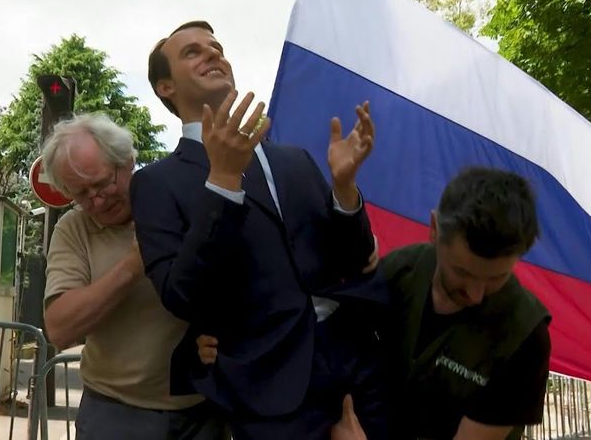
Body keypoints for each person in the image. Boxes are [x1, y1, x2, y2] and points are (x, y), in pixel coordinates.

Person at [131, 20, 388, 440]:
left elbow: (353, 260)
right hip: (270, 390)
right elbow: (181, 295)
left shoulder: (295, 160)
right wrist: (223, 183)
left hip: (360, 371)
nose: (212, 53)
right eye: (192, 52)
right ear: (166, 87)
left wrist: (344, 191)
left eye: (216, 47)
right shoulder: (155, 184)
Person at [204, 167, 552, 440]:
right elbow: (322, 334)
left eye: (495, 279)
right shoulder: (400, 271)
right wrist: (229, 344)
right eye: (462, 272)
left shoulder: (524, 336)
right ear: (434, 229)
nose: (475, 294)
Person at [41, 113, 226, 440]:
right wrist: (135, 262)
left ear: (127, 161)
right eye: (81, 194)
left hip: (201, 409)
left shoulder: (177, 201)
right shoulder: (73, 229)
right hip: (114, 413)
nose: (97, 200)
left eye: (102, 184)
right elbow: (60, 328)